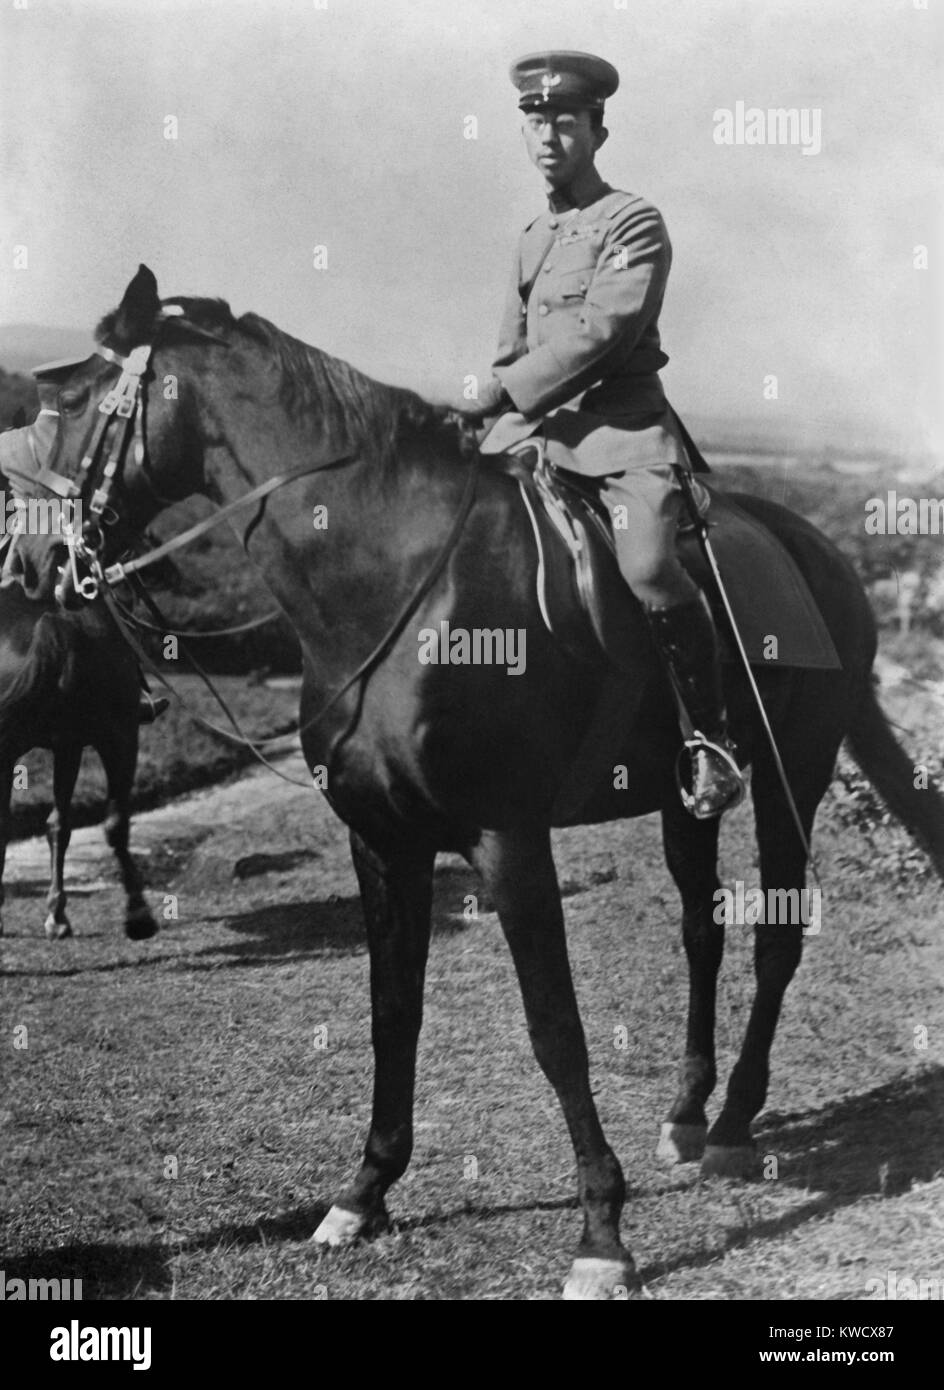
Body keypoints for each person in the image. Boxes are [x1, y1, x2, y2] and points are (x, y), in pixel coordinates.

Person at [454, 50, 745, 819]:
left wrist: (500, 392)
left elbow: (605, 334)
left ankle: (710, 742)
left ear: (597, 131)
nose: (549, 137)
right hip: (537, 434)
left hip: (622, 433)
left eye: (566, 123)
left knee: (649, 566)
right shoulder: (529, 237)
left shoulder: (632, 222)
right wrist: (486, 415)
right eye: (536, 123)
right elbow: (511, 350)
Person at [0, 378, 168, 723]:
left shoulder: (7, 442)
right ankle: (135, 693)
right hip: (66, 539)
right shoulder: (82, 443)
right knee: (119, 609)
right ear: (69, 405)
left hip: (20, 540)